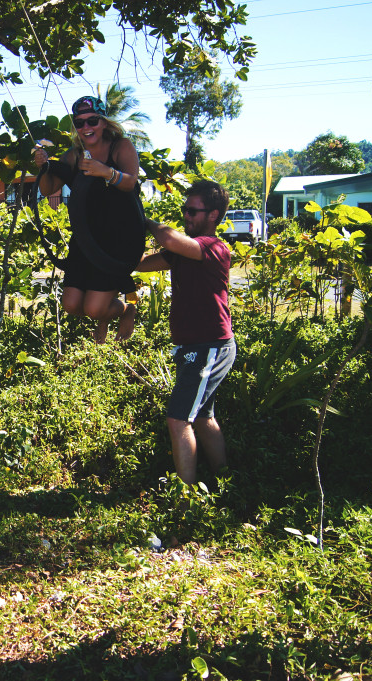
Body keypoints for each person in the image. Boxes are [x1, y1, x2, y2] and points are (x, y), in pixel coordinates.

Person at [136, 180, 235, 487]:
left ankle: (186, 499)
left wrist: (144, 219)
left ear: (213, 215)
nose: (186, 216)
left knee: (179, 418)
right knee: (203, 417)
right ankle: (224, 479)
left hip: (209, 347)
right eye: (185, 210)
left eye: (193, 211)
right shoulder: (186, 252)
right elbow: (143, 265)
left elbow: (168, 238)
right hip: (197, 347)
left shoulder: (213, 248)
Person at [33, 96, 146, 343]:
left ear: (104, 122)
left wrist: (106, 172)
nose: (86, 128)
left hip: (115, 242)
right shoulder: (74, 155)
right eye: (80, 123)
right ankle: (114, 310)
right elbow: (48, 187)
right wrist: (43, 166)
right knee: (71, 304)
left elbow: (130, 183)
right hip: (85, 241)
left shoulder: (120, 146)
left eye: (92, 121)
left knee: (94, 309)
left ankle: (127, 309)